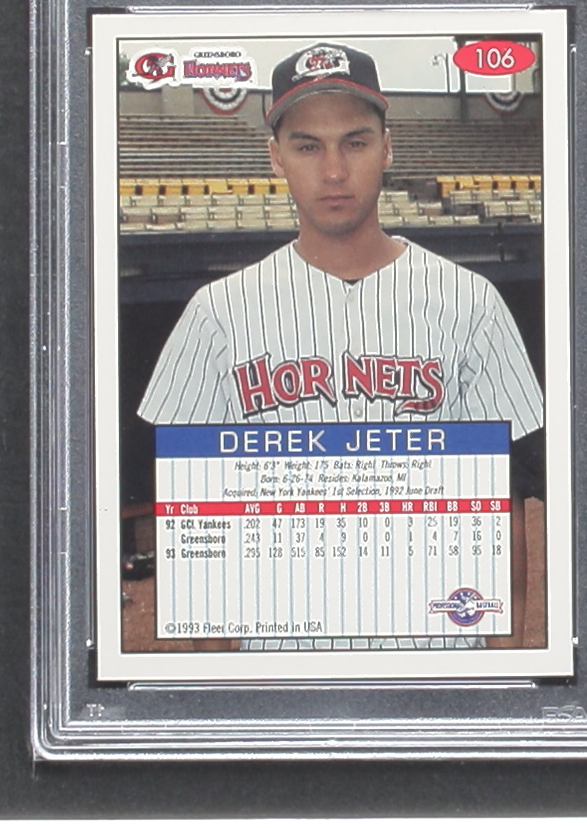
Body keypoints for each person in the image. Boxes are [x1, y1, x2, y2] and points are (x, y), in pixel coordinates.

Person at [139, 42, 543, 650]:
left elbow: (502, 510)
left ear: (387, 148)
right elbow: (196, 527)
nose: (333, 171)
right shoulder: (216, 314)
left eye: (354, 142)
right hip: (281, 667)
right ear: (275, 157)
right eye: (308, 146)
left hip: (434, 658)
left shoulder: (471, 302)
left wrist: (500, 676)